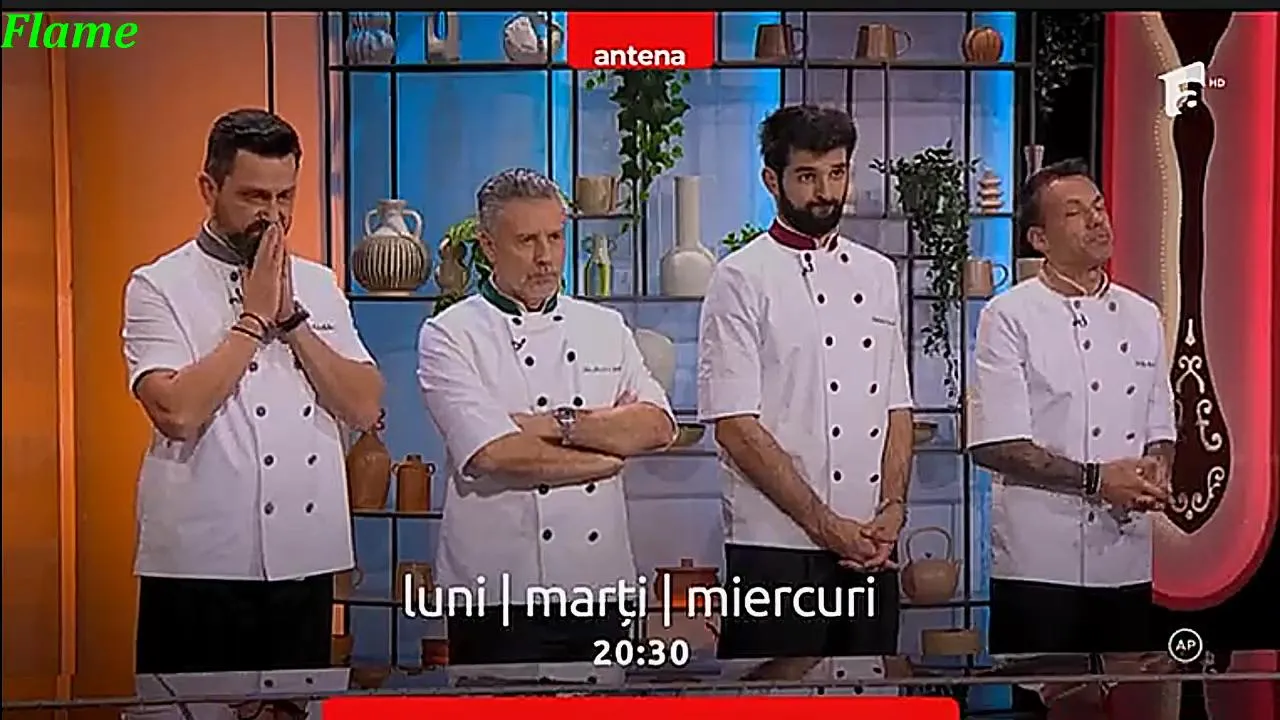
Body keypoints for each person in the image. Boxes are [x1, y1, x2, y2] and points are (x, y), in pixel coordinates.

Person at [123, 108, 384, 673]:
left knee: (294, 706)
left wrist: (292, 321)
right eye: (253, 197)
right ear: (209, 189)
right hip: (198, 565)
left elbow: (365, 405)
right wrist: (253, 319)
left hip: (305, 558)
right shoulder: (158, 285)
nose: (272, 216)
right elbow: (178, 413)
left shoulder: (318, 283)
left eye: (285, 197)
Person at [417, 167, 678, 664]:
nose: (545, 257)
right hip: (497, 595)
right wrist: (603, 458)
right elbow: (493, 453)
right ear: (488, 246)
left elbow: (657, 426)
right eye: (526, 241)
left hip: (599, 587)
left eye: (555, 237)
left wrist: (558, 424)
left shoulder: (604, 327)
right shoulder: (450, 335)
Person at [697, 105, 914, 658]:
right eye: (807, 176)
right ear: (772, 180)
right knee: (775, 694)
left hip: (871, 546)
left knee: (869, 692)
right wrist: (826, 527)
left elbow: (897, 406)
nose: (825, 192)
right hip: (776, 549)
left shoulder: (878, 273)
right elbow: (734, 426)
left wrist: (892, 510)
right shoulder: (739, 277)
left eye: (836, 173)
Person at [968, 160, 1175, 712]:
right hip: (1040, 565)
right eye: (1076, 212)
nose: (1097, 221)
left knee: (1125, 706)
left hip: (1125, 560)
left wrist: (1155, 470)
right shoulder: (1007, 316)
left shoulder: (1143, 315)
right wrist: (1099, 480)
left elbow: (1160, 423)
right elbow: (995, 444)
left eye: (1099, 207)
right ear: (1039, 238)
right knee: (1046, 704)